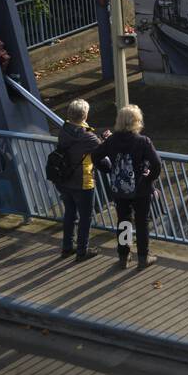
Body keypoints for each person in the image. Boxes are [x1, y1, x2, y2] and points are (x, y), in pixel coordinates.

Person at [92, 104, 163, 269]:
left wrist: (109, 170)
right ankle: (143, 258)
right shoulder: (143, 141)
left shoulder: (112, 140)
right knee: (141, 223)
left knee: (124, 221)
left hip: (120, 189)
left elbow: (95, 156)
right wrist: (149, 179)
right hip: (140, 189)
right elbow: (156, 164)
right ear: (136, 121)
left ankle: (123, 257)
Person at [56, 99, 107, 262]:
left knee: (70, 214)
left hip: (64, 179)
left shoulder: (63, 131)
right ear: (85, 115)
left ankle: (67, 247)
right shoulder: (89, 137)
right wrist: (106, 139)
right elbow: (103, 153)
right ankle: (82, 251)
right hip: (83, 181)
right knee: (85, 217)